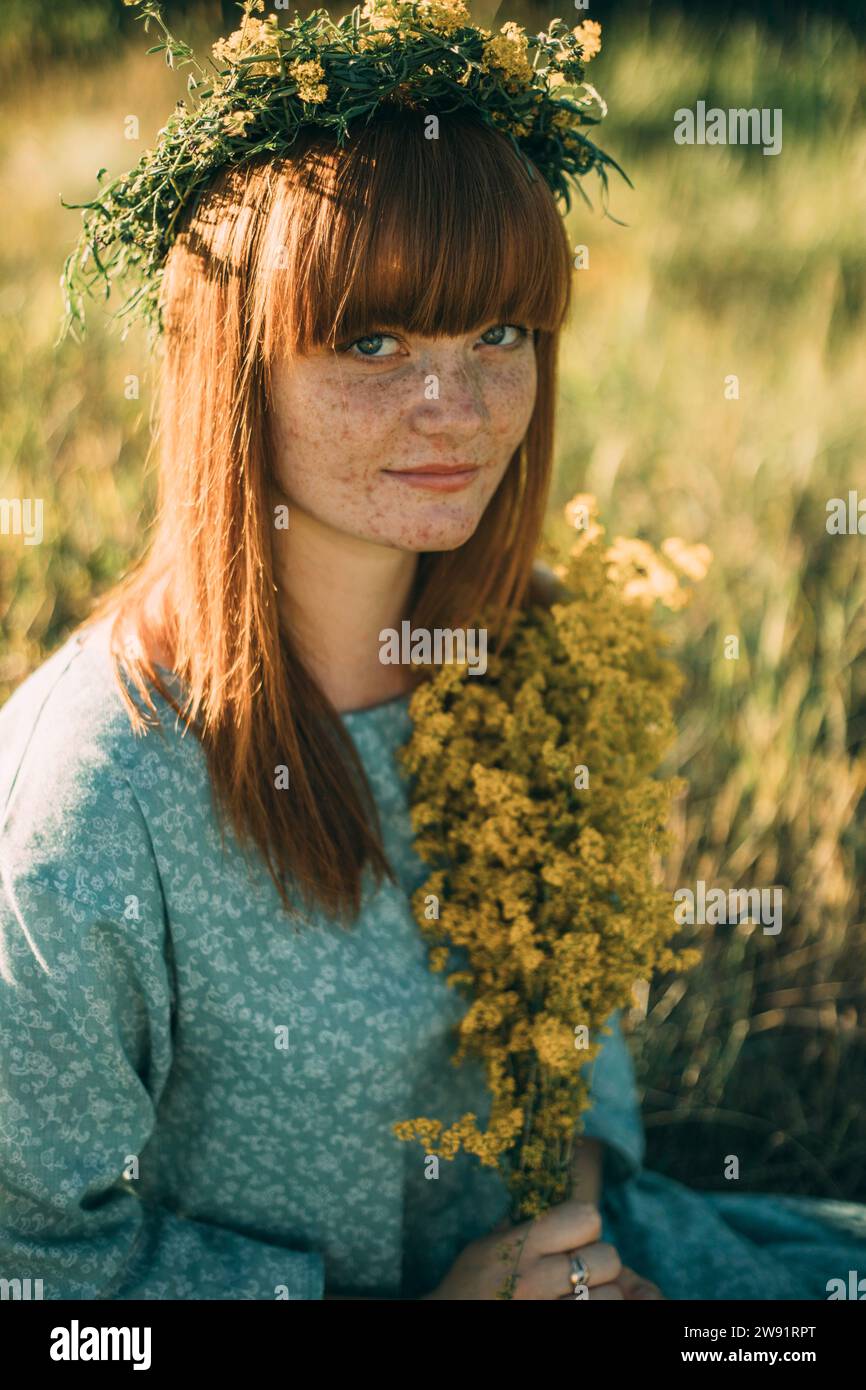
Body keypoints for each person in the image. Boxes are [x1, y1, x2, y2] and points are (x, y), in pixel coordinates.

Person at [2, 5, 864, 1302]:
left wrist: (560, 1249)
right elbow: (38, 1267)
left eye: (497, 336)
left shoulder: (540, 664)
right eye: (372, 342)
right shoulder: (99, 796)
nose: (451, 407)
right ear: (231, 370)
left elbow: (579, 1068)